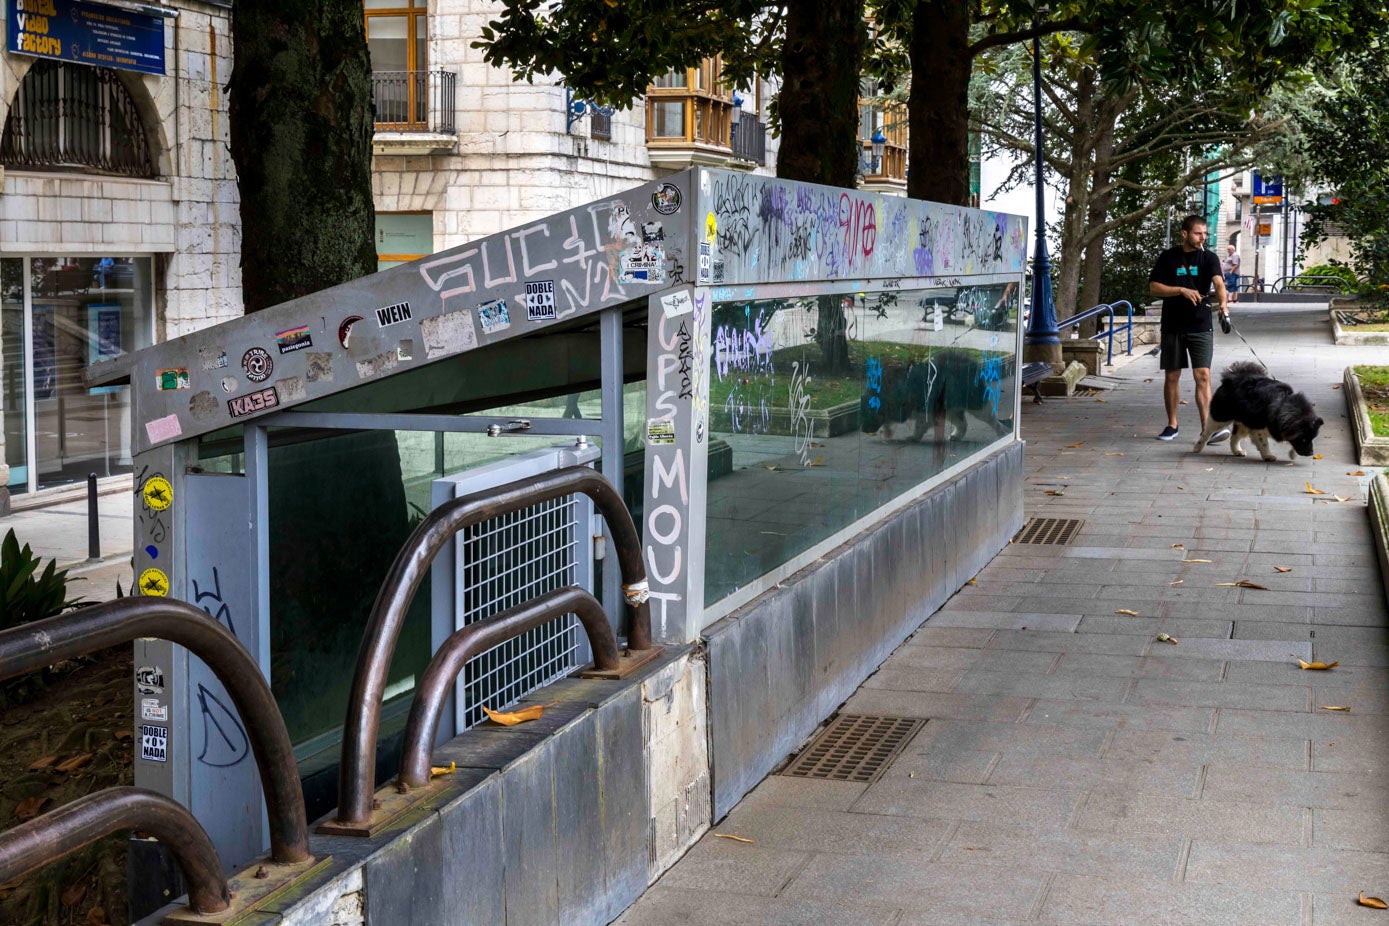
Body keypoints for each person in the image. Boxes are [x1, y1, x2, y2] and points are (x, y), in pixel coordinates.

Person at [1149, 215, 1231, 442]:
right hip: (1173, 324)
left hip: (1200, 324)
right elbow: (1154, 288)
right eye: (1198, 233)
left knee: (1203, 375)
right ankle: (1172, 425)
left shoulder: (1209, 258)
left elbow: (1219, 283)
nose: (1203, 237)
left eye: (1205, 233)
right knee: (1172, 375)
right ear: (1184, 234)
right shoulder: (1168, 257)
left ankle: (1208, 428)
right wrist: (1181, 291)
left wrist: (1223, 303)